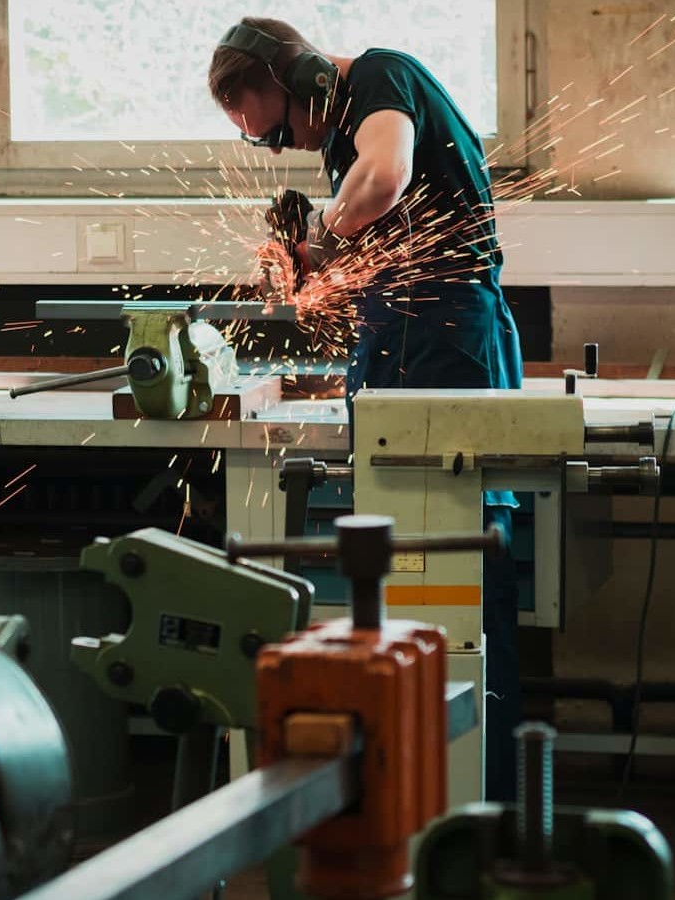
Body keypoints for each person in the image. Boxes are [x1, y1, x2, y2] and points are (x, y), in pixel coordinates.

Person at [209, 17, 525, 802]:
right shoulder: (337, 139)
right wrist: (303, 260)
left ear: (307, 76)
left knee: (460, 567)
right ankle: (416, 781)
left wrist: (319, 229)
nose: (283, 146)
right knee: (407, 566)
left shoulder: (382, 78)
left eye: (278, 128)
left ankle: (477, 792)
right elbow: (361, 234)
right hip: (399, 335)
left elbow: (382, 182)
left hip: (447, 338)